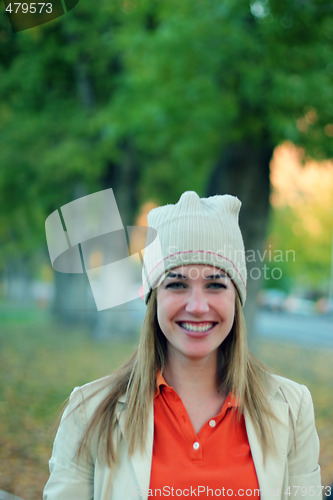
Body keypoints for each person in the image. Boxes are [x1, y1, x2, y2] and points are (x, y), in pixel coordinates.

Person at [43, 191, 321, 500]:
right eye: (177, 284)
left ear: (236, 297)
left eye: (215, 284)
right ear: (154, 299)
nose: (198, 306)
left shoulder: (292, 409)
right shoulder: (89, 412)